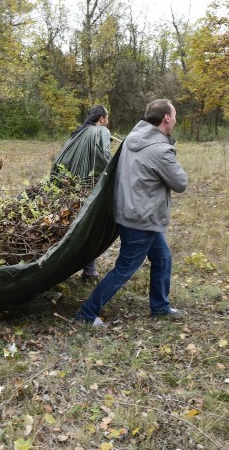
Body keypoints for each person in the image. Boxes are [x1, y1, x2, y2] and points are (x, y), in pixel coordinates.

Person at [75, 99, 188, 328]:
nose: (175, 119)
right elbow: (181, 182)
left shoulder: (131, 139)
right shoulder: (160, 150)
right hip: (142, 218)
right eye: (174, 115)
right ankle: (87, 314)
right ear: (166, 117)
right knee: (124, 269)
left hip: (131, 212)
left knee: (162, 257)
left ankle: (160, 307)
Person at [51, 105, 112, 280]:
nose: (108, 122)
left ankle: (69, 268)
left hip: (67, 188)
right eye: (107, 118)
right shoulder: (100, 132)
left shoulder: (77, 133)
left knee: (68, 227)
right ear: (101, 119)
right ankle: (88, 270)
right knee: (89, 229)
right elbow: (106, 159)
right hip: (88, 187)